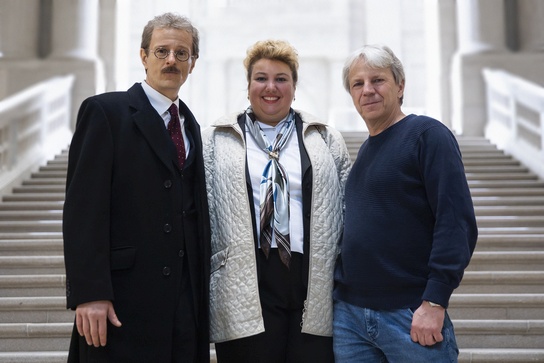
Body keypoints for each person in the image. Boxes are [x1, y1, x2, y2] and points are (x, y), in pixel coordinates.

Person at [62, 13, 210, 363]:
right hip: (122, 302)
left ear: (193, 63)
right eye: (161, 51)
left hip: (184, 308)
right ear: (143, 57)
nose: (171, 60)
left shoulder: (191, 126)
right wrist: (90, 293)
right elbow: (83, 210)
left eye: (181, 53)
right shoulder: (105, 112)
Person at [202, 39, 351, 363]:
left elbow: (346, 209)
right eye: (261, 78)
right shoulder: (216, 139)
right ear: (248, 86)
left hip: (311, 283)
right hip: (246, 283)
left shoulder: (324, 137)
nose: (271, 87)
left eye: (281, 78)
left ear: (294, 87)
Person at [333, 44, 478, 362]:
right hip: (351, 320)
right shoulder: (364, 156)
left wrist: (435, 301)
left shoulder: (427, 135)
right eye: (358, 84)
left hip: (409, 314)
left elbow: (456, 222)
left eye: (378, 80)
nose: (367, 90)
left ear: (400, 85)